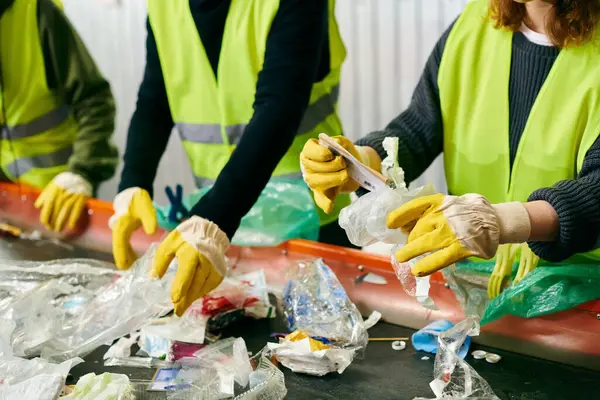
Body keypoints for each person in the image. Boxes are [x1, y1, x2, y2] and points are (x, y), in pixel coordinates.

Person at [301, 0, 600, 287]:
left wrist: (500, 221)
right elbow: (419, 127)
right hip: (476, 276)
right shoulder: (475, 26)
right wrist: (361, 162)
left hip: (579, 291)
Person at [110, 0, 351, 316]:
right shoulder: (164, 5)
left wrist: (213, 218)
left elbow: (279, 106)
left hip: (311, 224)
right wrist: (133, 182)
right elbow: (156, 99)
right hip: (223, 233)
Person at [0, 0, 118, 233]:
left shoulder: (36, 12)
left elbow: (95, 101)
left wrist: (81, 173)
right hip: (12, 208)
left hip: (67, 197)